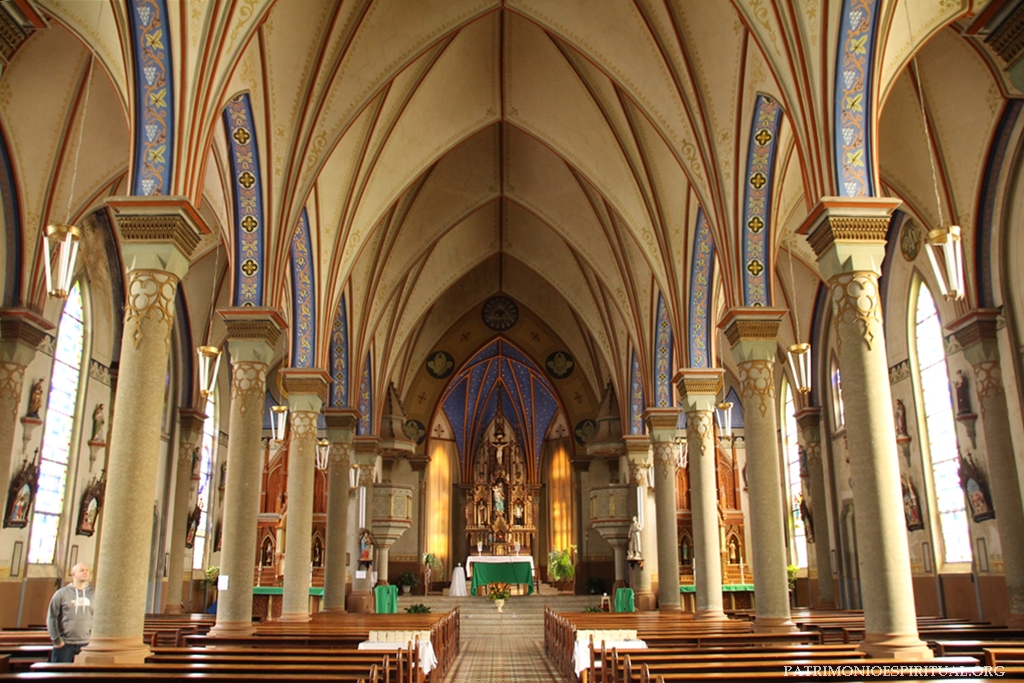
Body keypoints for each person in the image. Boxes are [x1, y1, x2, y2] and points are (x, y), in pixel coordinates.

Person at [47, 563, 93, 662]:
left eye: (87, 570)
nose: (85, 572)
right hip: (65, 644)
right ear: (73, 574)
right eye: (82, 570)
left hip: (87, 643)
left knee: (84, 675)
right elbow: (52, 617)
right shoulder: (61, 593)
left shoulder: (94, 594)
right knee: (59, 675)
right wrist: (57, 640)